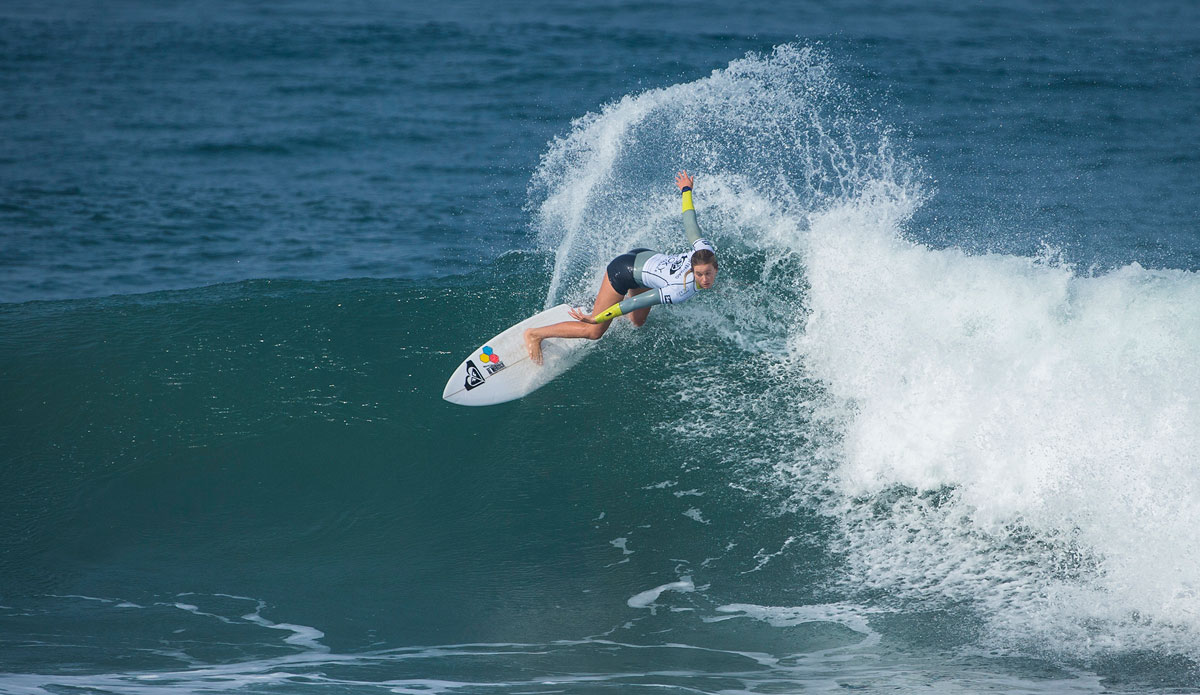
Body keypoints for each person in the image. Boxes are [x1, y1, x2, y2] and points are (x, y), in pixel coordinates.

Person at [524, 170, 718, 364]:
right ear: (692, 268)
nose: (704, 279)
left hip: (644, 258)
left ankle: (604, 300)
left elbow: (690, 222)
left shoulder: (704, 251)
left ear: (715, 268)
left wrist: (686, 189)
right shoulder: (679, 290)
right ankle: (535, 334)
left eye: (708, 274)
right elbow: (634, 303)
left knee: (637, 321)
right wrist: (599, 317)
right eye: (699, 274)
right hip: (623, 271)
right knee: (593, 331)